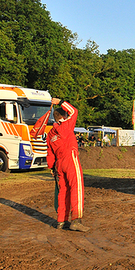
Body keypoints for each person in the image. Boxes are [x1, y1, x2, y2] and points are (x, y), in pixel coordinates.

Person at [47, 98, 88, 232]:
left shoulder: (51, 134)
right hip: (70, 158)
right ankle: (76, 220)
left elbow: (50, 153)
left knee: (63, 191)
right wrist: (61, 101)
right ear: (64, 116)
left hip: (58, 163)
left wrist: (52, 167)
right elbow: (74, 110)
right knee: (76, 187)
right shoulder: (67, 125)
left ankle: (61, 220)